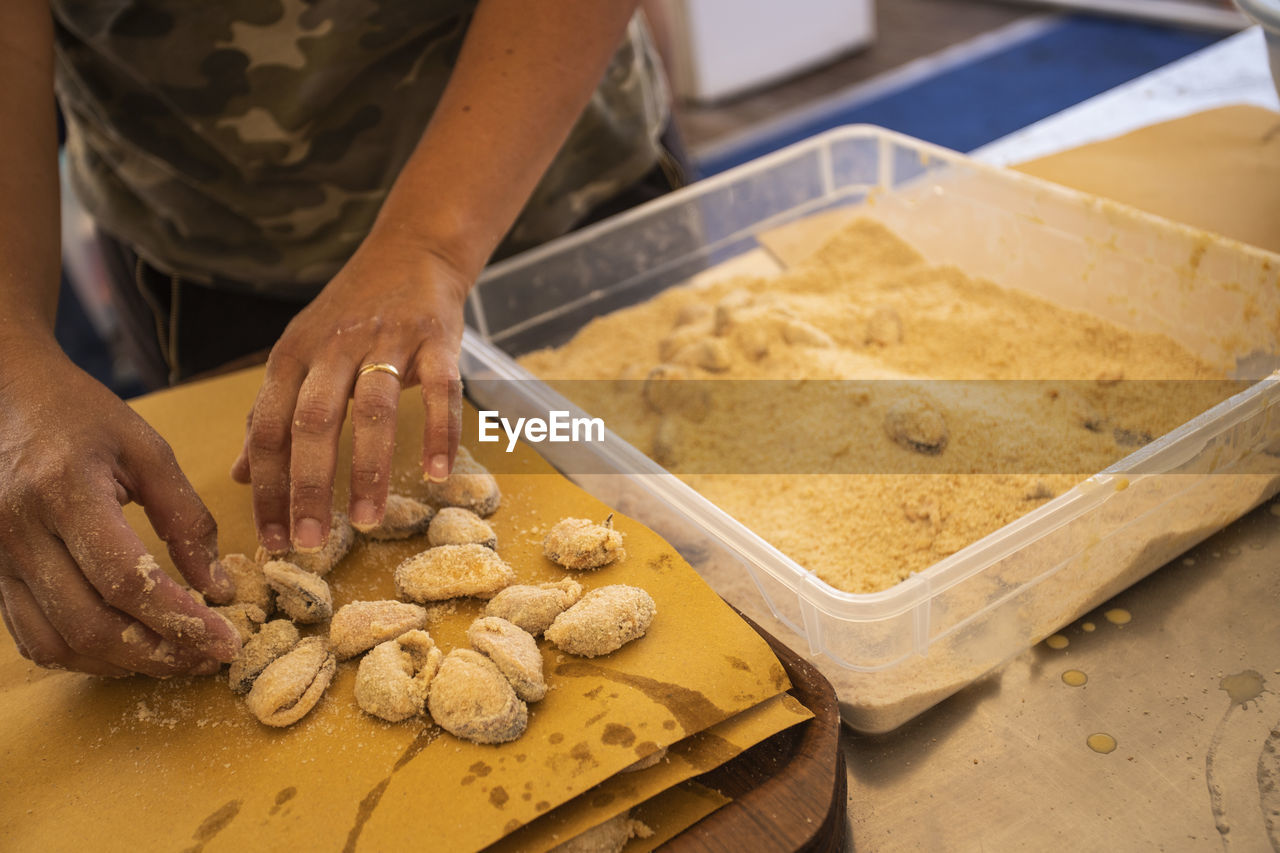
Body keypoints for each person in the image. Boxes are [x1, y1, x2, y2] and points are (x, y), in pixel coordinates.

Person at [0, 0, 683, 678]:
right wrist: (14, 369)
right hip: (211, 245)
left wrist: (431, 242)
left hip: (545, 162)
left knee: (679, 494)